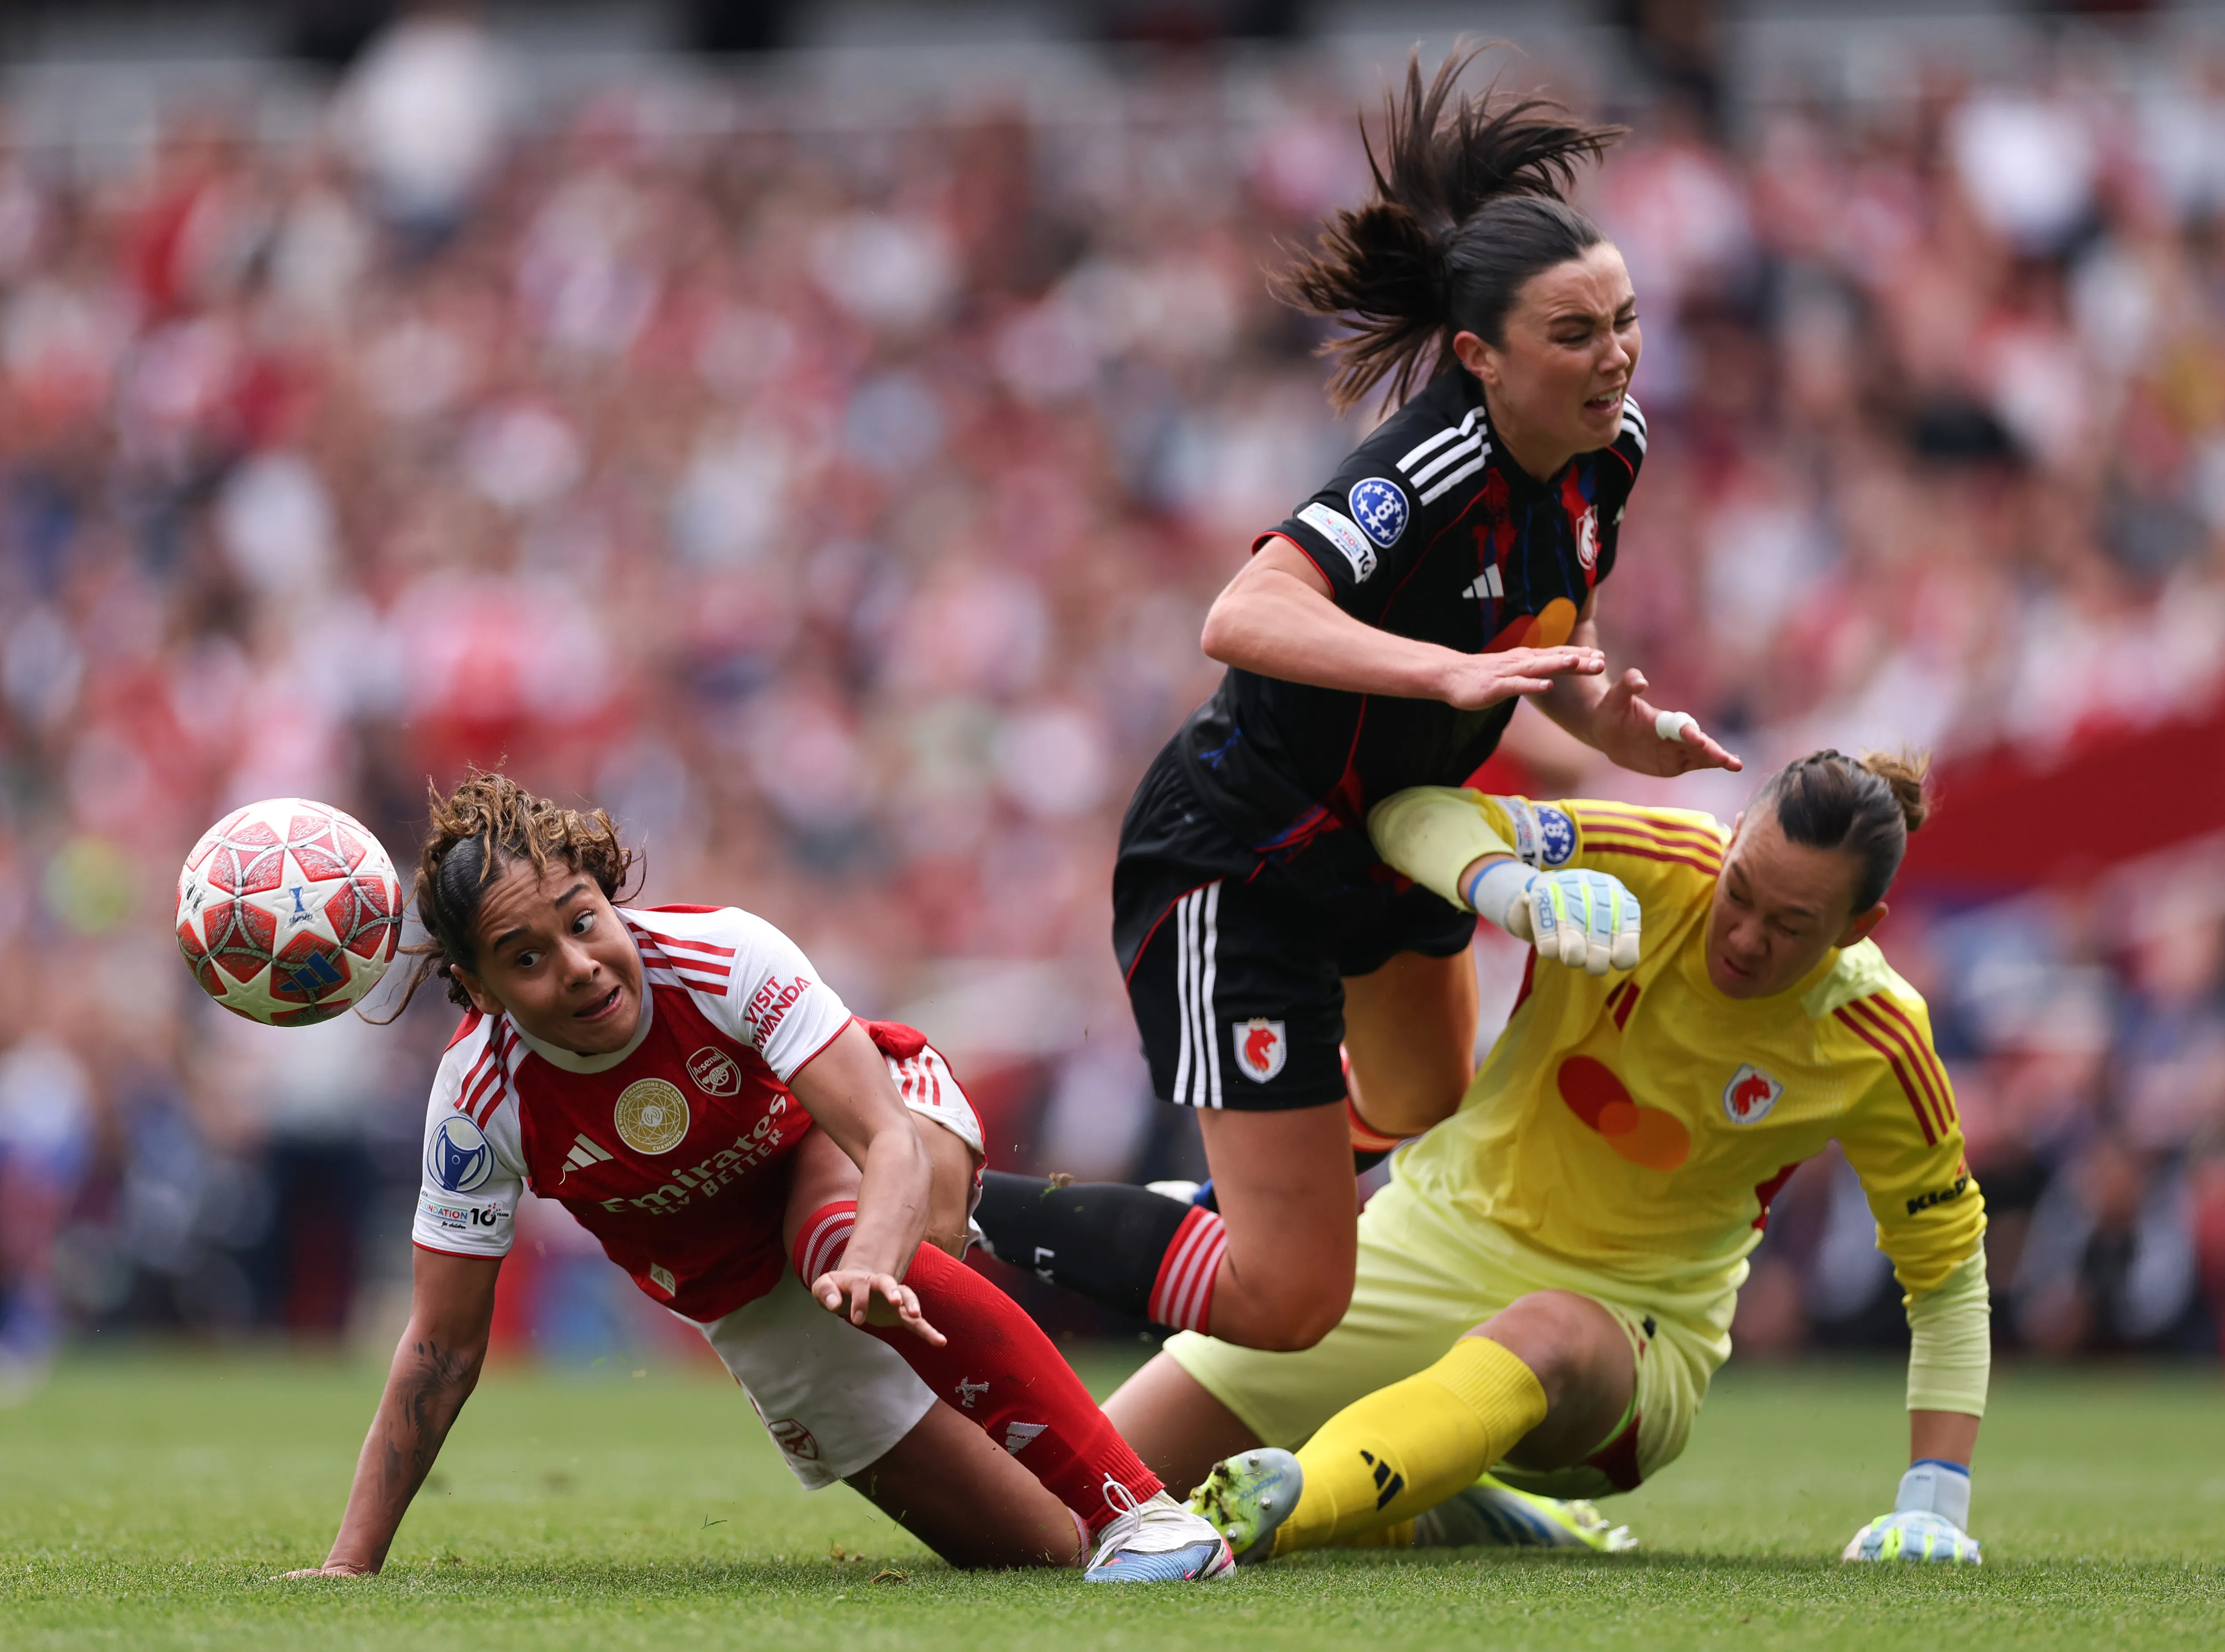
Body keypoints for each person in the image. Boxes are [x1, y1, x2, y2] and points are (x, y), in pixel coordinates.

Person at [973, 47, 1738, 1355]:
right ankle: (958, 1203)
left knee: (1428, 1097)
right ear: (1477, 359)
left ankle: (1232, 1210)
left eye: (1623, 319)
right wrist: (1441, 672)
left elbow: (1548, 637)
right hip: (1245, 854)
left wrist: (1616, 726)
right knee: (1288, 1298)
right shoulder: (1429, 462)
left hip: (1387, 842)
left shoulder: (1607, 455)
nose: (1616, 356)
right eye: (1574, 332)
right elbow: (1244, 614)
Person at [285, 773, 1229, 1583]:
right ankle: (1227, 1501)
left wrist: (864, 1254)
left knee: (824, 1239)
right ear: (481, 986)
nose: (576, 965)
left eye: (583, 920)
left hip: (874, 1135)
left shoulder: (725, 953)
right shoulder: (477, 1101)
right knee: (1040, 1546)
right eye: (527, 957)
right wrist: (349, 1563)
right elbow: (443, 1347)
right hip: (750, 1296)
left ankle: (1146, 1512)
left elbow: (885, 1137)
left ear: (609, 895)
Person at [1112, 751, 1989, 1566]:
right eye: (1741, 891)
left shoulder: (1877, 1038)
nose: (1746, 935)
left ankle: (1280, 1512)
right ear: (1730, 845)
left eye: (1791, 924)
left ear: (1858, 925)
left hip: (1625, 1334)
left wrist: (1934, 1503)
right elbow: (1413, 816)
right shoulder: (1656, 859)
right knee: (1086, 1483)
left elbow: (1947, 1275)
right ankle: (1442, 1507)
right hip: (1420, 1247)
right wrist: (1509, 886)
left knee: (1546, 1330)